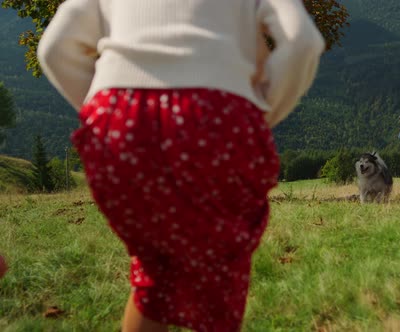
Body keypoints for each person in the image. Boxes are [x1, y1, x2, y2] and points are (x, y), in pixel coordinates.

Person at [37, 0, 325, 331]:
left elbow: (54, 49)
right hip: (217, 116)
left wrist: (103, 112)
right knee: (221, 266)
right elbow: (303, 41)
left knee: (156, 268)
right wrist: (260, 112)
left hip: (117, 122)